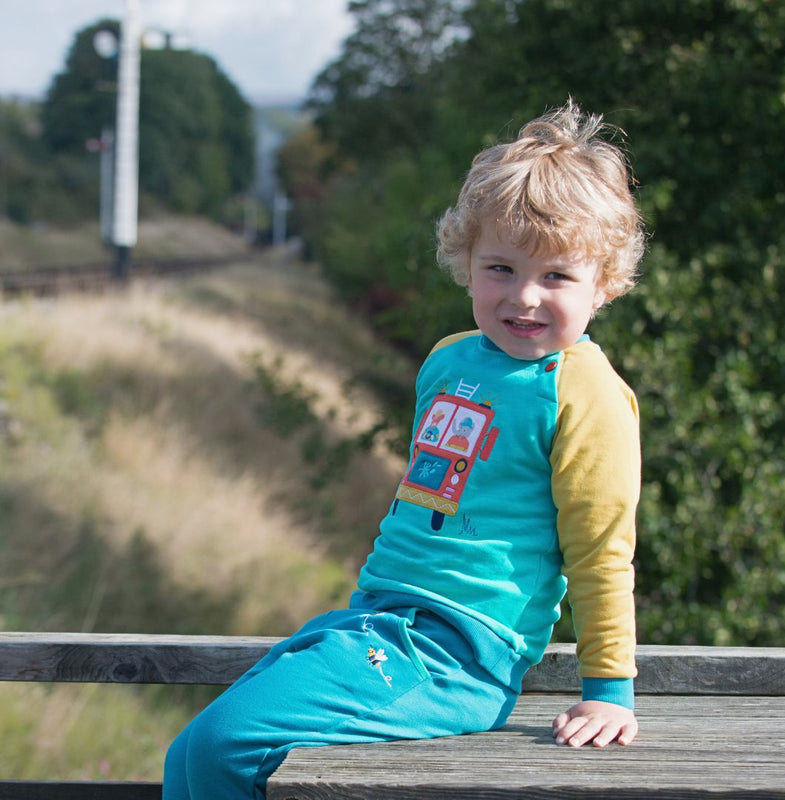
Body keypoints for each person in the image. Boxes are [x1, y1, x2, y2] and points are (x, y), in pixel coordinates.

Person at [163, 100, 646, 800]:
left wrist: (609, 692)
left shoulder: (583, 391)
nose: (525, 297)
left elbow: (601, 548)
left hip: (456, 656)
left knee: (222, 746)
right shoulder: (449, 362)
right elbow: (426, 501)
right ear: (466, 259)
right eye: (501, 268)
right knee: (190, 752)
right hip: (380, 621)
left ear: (605, 282)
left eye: (557, 277)